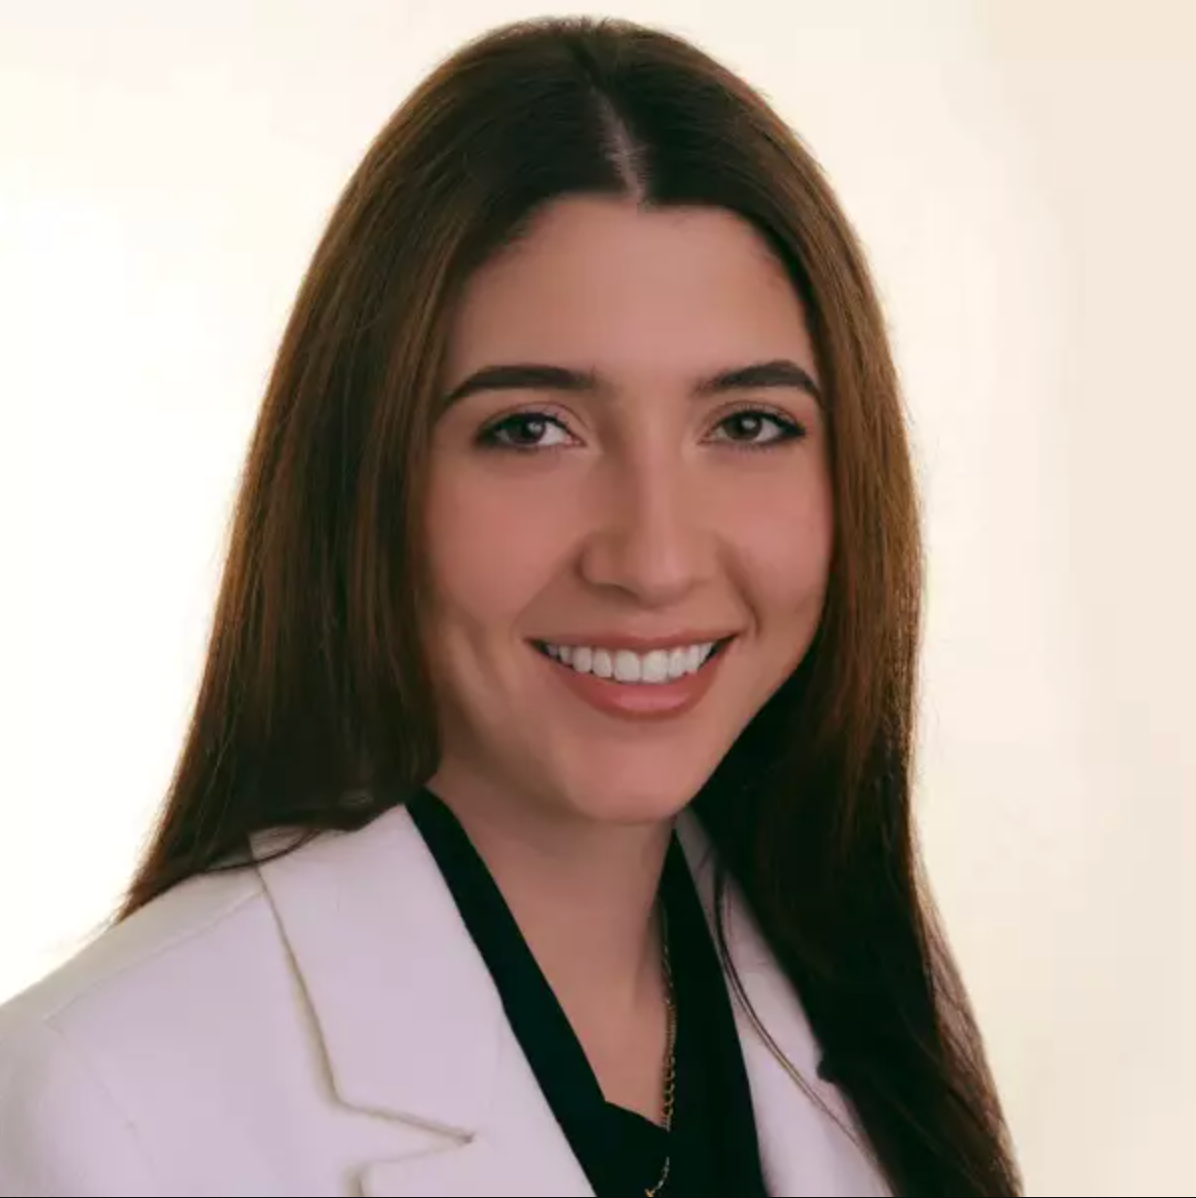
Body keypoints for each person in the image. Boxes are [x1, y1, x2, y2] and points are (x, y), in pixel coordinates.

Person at [0, 16, 1022, 1197]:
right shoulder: (97, 1106)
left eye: (747, 425)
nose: (653, 558)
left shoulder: (875, 1021)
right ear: (362, 479)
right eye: (531, 428)